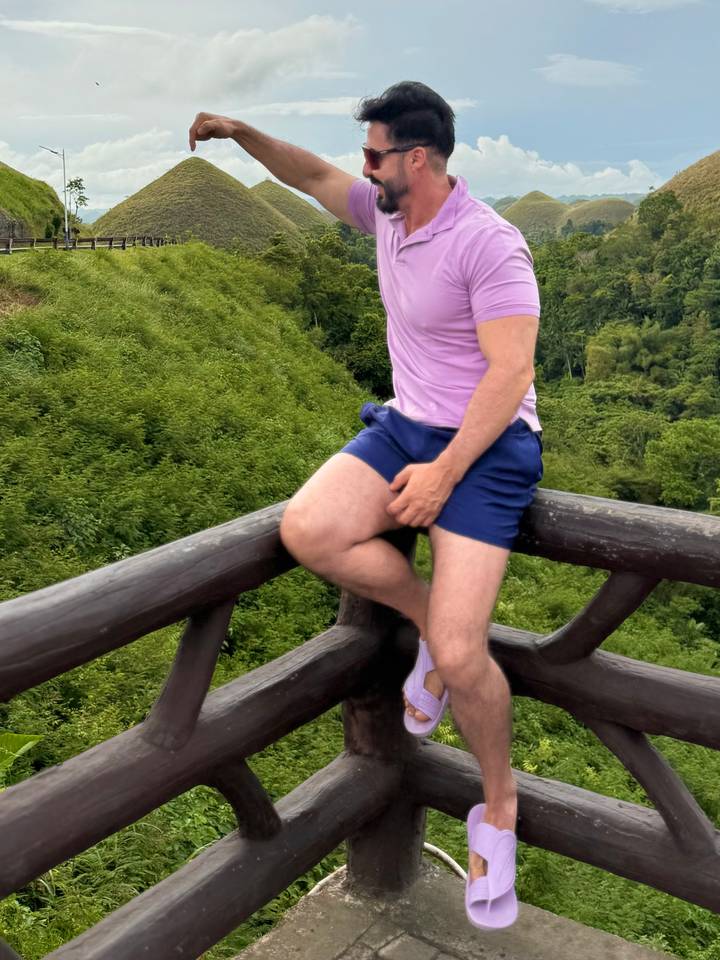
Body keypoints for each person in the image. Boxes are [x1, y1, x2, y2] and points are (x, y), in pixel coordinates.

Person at [188, 81, 542, 930]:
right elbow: (308, 174)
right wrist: (238, 131)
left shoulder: (490, 245)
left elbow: (511, 374)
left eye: (375, 153)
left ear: (415, 159)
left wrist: (447, 474)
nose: (363, 167)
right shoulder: (386, 215)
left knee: (463, 657)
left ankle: (500, 804)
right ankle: (424, 620)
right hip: (405, 425)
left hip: (485, 447)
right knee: (307, 528)